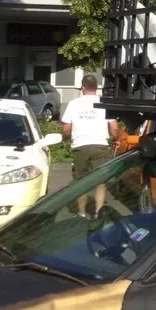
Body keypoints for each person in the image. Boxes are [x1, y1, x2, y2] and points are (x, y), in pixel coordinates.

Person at [61, 74, 119, 218]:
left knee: (81, 181)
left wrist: (65, 139)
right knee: (100, 181)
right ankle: (98, 211)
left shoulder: (74, 104)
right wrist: (115, 139)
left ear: (82, 88)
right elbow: (115, 128)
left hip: (81, 147)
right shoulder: (104, 103)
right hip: (100, 146)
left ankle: (81, 213)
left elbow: (66, 129)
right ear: (97, 88)